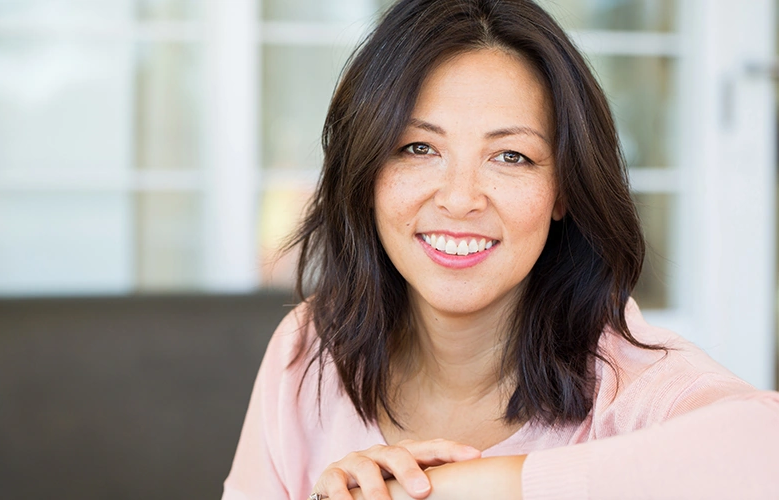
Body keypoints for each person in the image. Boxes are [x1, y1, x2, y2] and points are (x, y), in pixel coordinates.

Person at [222, 0, 779, 498]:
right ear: (367, 172)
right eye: (418, 147)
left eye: (511, 156)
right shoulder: (312, 346)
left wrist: (469, 487)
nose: (461, 199)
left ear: (563, 189)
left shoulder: (630, 382)